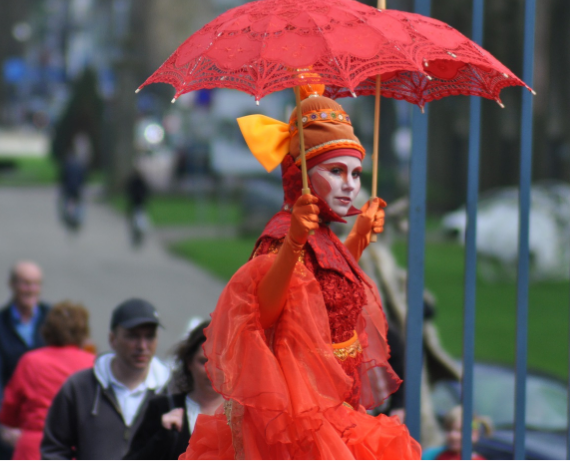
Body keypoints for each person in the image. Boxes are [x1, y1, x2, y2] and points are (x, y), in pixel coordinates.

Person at [180, 92, 421, 460]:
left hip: (339, 402)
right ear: (301, 174)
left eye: (356, 174)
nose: (350, 186)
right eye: (336, 171)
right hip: (299, 415)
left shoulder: (323, 233)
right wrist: (293, 240)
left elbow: (327, 287)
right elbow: (264, 313)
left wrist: (358, 237)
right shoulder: (281, 235)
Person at [41, 298, 170, 460]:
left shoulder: (172, 391)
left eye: (150, 337)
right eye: (133, 336)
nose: (142, 346)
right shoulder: (79, 387)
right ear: (112, 339)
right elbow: (54, 450)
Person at [0, 301, 95, 460]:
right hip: (76, 449)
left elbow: (9, 409)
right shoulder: (92, 364)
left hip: (34, 448)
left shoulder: (30, 361)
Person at [0, 261, 51, 460]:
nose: (30, 290)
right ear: (12, 284)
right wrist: (4, 419)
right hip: (11, 413)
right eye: (25, 283)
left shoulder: (51, 318)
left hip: (44, 414)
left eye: (36, 284)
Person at [125, 320, 221, 460]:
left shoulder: (244, 417)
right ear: (189, 362)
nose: (211, 370)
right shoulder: (162, 408)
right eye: (203, 361)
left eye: (219, 362)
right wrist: (162, 437)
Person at [422, 405, 493, 460]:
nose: (453, 435)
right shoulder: (437, 455)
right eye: (448, 429)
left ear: (474, 434)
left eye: (460, 430)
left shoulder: (477, 461)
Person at [59, 149, 87, 232]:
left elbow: (63, 178)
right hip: (77, 188)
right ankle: (78, 218)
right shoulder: (80, 166)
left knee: (67, 202)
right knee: (79, 203)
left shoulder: (67, 166)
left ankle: (69, 216)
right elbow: (83, 178)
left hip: (69, 188)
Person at [126, 166, 150, 247]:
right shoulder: (141, 182)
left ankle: (136, 237)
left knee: (135, 222)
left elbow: (129, 193)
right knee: (139, 221)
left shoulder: (132, 182)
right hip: (140, 204)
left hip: (135, 204)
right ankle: (138, 237)